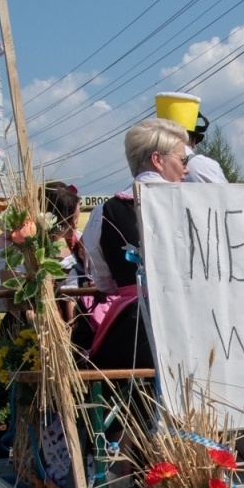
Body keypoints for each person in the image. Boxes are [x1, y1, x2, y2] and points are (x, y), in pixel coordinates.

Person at [75, 117, 189, 368]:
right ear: (157, 159)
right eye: (183, 160)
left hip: (133, 328)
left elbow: (103, 281)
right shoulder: (192, 202)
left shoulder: (103, 213)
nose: (187, 169)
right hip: (187, 316)